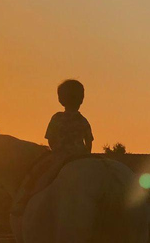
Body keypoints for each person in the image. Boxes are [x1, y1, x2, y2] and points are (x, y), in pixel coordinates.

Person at [10, 80, 94, 216]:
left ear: (61, 99)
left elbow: (50, 138)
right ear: (81, 99)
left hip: (60, 157)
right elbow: (88, 141)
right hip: (81, 157)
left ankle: (24, 199)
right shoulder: (83, 120)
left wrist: (56, 151)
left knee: (37, 173)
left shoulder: (57, 118)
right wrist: (86, 155)